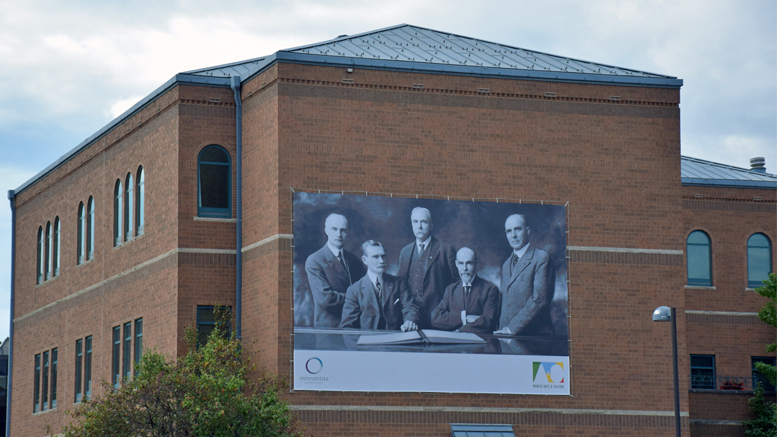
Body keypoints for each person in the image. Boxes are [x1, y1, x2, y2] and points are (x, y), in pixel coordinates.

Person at [397, 207, 459, 329]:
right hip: (411, 320)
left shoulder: (446, 250)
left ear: (431, 225)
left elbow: (456, 287)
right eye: (415, 222)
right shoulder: (405, 251)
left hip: (439, 318)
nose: (419, 226)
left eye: (423, 222)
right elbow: (400, 286)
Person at [494, 214, 555, 336]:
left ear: (527, 231)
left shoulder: (541, 258)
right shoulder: (506, 264)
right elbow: (506, 304)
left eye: (517, 229)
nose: (513, 235)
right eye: (509, 231)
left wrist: (511, 329)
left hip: (535, 338)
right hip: (508, 338)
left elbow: (539, 299)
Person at [340, 240, 419, 331]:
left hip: (395, 340)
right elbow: (348, 327)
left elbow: (410, 307)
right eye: (375, 257)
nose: (381, 261)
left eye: (383, 256)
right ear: (365, 260)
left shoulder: (398, 283)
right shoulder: (354, 290)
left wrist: (410, 321)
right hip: (367, 342)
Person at [305, 213, 365, 328]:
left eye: (343, 230)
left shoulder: (354, 260)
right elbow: (326, 299)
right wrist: (357, 299)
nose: (339, 234)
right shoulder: (315, 260)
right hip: (330, 328)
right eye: (334, 229)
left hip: (354, 326)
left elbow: (366, 287)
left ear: (347, 233)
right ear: (326, 230)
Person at [431, 247, 500, 333]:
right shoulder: (450, 289)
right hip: (455, 345)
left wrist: (459, 331)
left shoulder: (490, 289)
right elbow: (435, 317)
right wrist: (464, 317)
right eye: (461, 263)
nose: (464, 268)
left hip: (480, 343)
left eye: (469, 263)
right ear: (456, 264)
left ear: (476, 264)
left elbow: (488, 322)